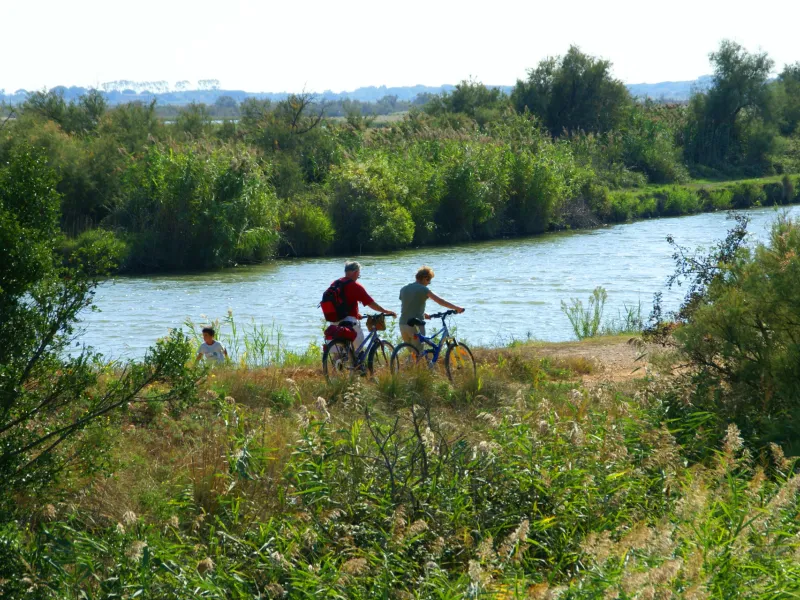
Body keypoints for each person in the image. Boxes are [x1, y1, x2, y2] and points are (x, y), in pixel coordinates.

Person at [334, 261, 396, 354]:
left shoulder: (336, 283)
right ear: (356, 272)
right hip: (349, 321)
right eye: (359, 274)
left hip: (334, 319)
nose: (358, 276)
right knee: (359, 346)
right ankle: (359, 367)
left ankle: (336, 366)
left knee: (338, 350)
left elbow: (342, 302)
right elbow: (371, 303)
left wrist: (355, 313)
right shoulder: (355, 286)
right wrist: (385, 311)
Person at [399, 266, 464, 348]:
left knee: (412, 353)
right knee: (419, 352)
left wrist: (424, 314)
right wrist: (457, 308)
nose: (428, 283)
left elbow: (408, 305)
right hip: (415, 325)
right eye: (429, 281)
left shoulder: (404, 289)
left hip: (402, 324)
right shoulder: (423, 289)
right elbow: (440, 301)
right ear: (425, 278)